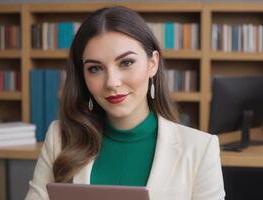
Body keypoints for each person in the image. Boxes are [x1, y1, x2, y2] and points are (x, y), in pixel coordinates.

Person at [26, 6, 225, 200]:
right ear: (83, 76)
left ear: (152, 63)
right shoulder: (59, 138)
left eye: (126, 63)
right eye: (95, 68)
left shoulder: (200, 149)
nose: (112, 82)